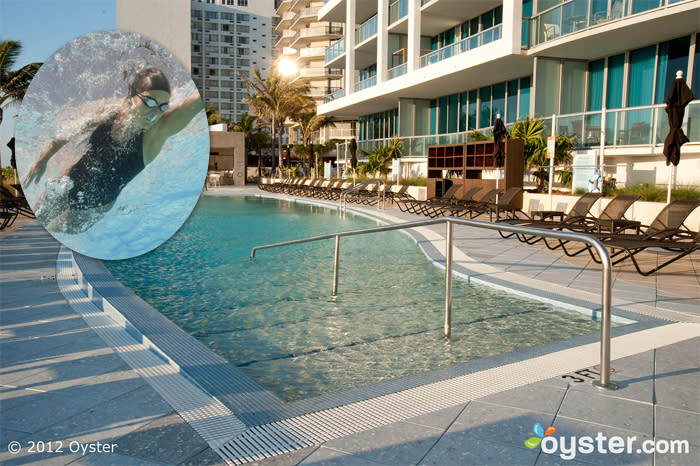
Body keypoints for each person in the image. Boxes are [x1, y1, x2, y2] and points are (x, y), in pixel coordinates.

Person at [24, 67, 202, 234]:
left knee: (54, 232)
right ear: (132, 96)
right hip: (68, 181)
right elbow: (68, 132)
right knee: (34, 226)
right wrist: (43, 160)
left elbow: (196, 101)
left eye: (163, 106)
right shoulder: (109, 112)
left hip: (94, 207)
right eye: (149, 101)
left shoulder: (157, 132)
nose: (155, 112)